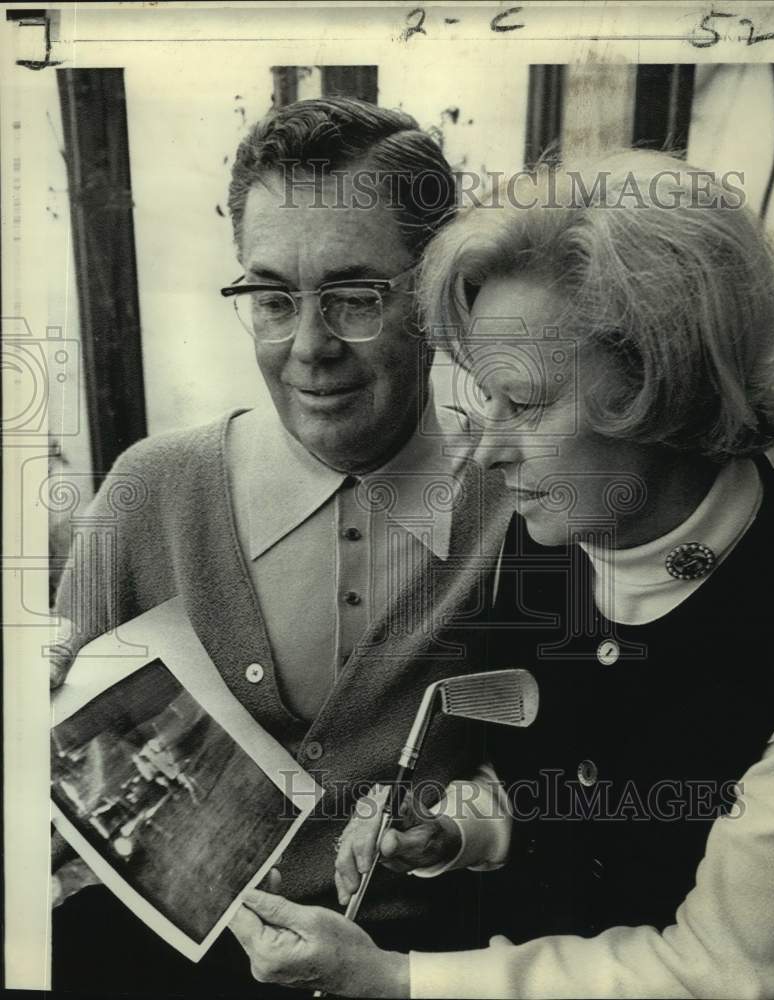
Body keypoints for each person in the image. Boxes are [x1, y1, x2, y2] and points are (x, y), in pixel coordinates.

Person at [230, 151, 774, 998]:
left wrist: (393, 978)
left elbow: (717, 970)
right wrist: (456, 828)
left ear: (664, 388)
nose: (487, 450)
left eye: (525, 406)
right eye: (482, 402)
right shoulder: (552, 538)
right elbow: (559, 779)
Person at [50, 97, 513, 992]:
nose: (308, 348)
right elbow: (52, 761)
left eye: (352, 299)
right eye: (271, 299)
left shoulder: (521, 502)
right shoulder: (150, 489)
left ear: (435, 290)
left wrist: (455, 831)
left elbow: (565, 779)